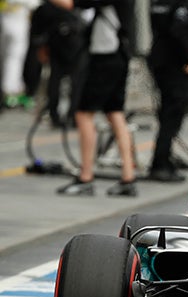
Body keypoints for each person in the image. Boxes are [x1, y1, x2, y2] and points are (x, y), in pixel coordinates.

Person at [52, 0, 137, 197]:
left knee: (83, 114)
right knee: (115, 114)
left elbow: (77, 3)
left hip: (106, 58)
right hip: (119, 55)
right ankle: (128, 177)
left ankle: (86, 177)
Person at [147, 0, 188, 182]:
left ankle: (163, 159)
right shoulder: (184, 4)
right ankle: (160, 163)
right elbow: (179, 30)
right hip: (175, 64)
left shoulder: (159, 3)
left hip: (160, 60)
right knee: (173, 114)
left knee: (167, 113)